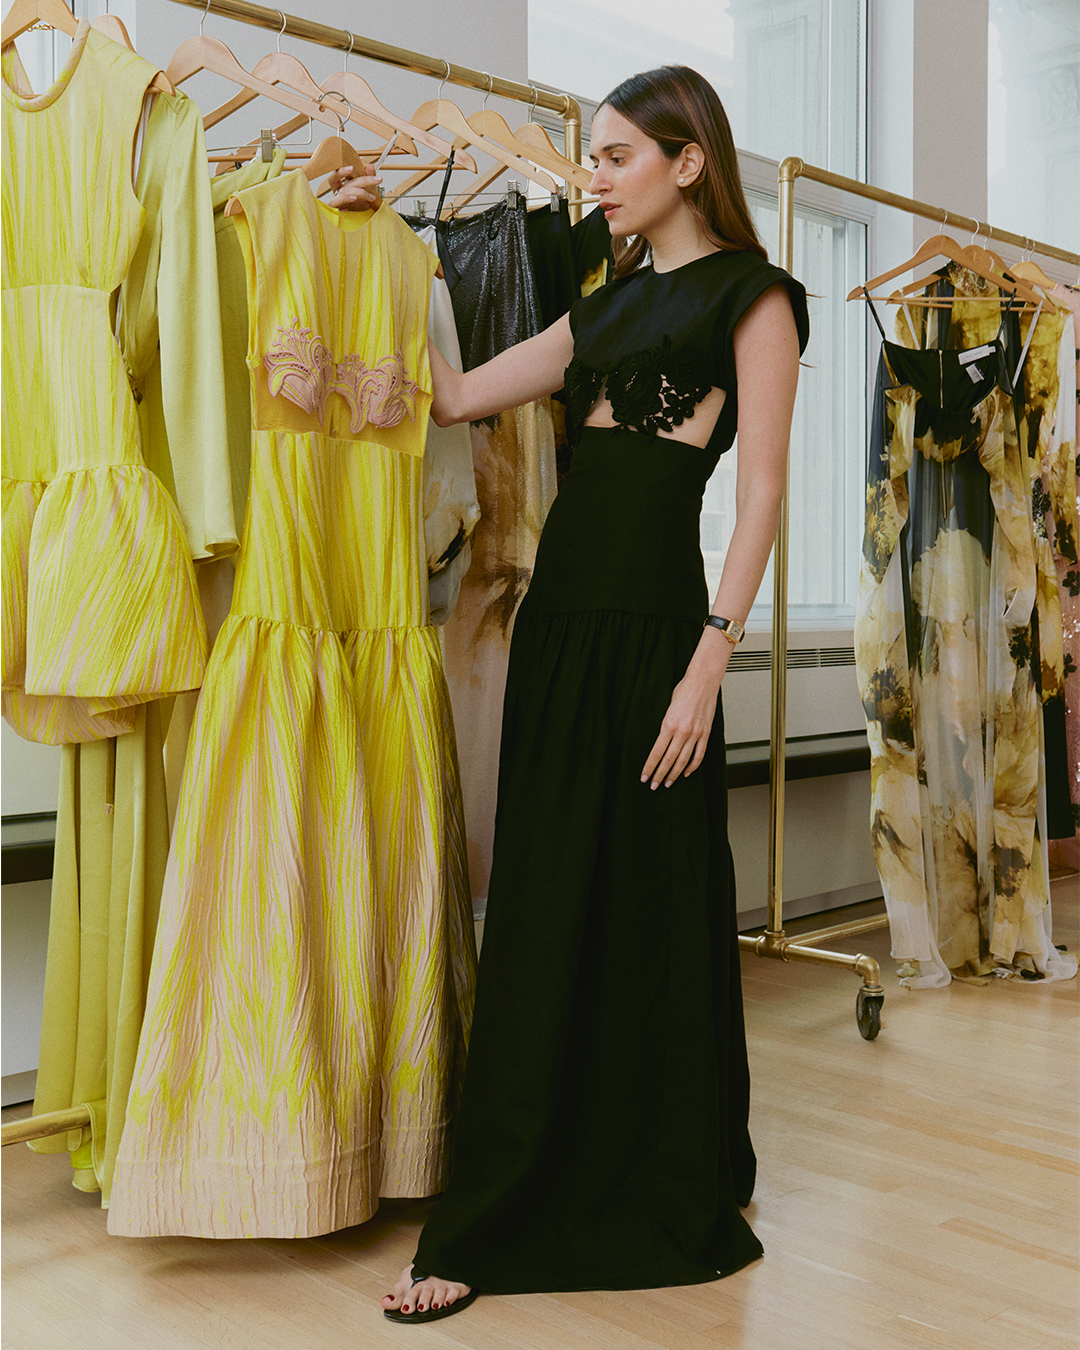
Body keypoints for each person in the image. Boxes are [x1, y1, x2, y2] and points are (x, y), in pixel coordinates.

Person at [334, 63, 808, 1323]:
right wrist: (383, 238)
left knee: (657, 897)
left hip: (661, 636)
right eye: (590, 158)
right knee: (543, 902)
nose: (591, 177)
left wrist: (712, 659)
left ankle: (681, 1156)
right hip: (559, 634)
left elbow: (759, 496)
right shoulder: (600, 305)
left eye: (612, 157)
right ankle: (496, 1203)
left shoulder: (757, 300)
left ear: (685, 163)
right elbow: (451, 396)